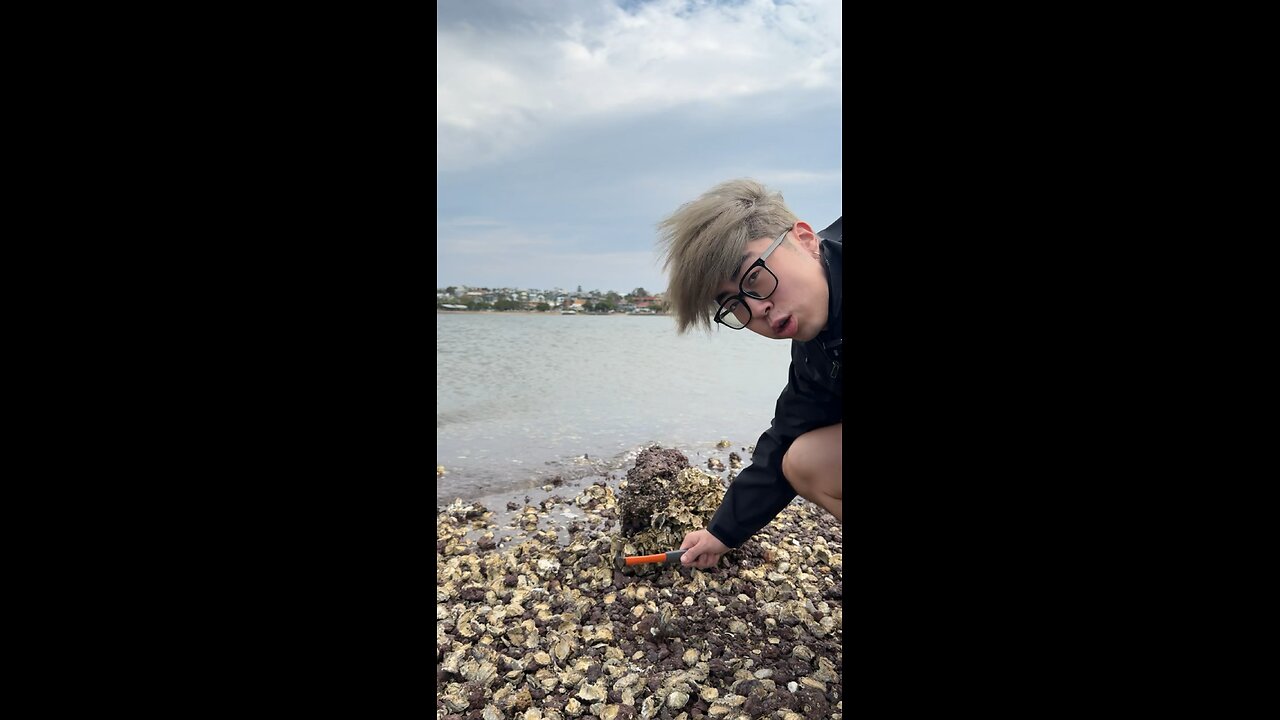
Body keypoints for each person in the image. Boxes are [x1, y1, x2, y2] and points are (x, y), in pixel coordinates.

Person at [655, 178, 842, 570]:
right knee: (803, 460)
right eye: (734, 303)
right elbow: (787, 433)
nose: (755, 308)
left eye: (754, 277)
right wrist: (722, 534)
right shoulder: (816, 346)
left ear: (805, 239)